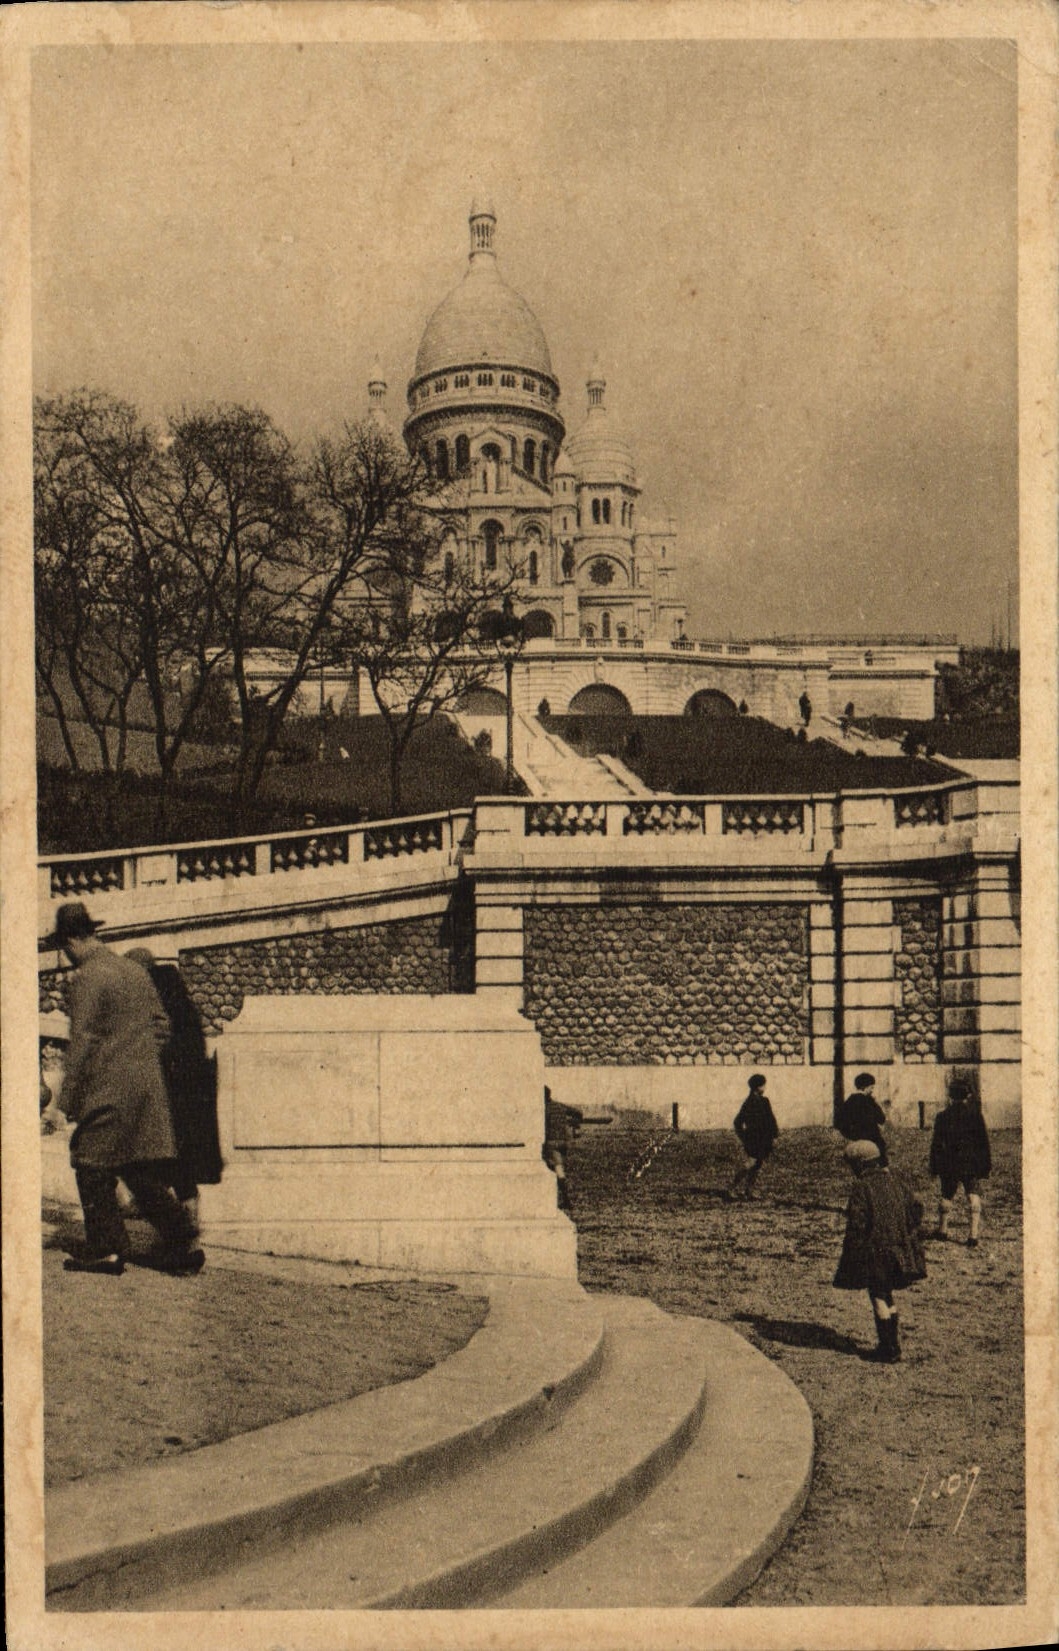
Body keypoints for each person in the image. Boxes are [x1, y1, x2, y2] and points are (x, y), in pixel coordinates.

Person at [43, 902, 204, 1276]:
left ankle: (106, 1248)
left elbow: (82, 1042)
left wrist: (61, 1106)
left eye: (63, 949)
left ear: (69, 942)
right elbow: (162, 1025)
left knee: (89, 1162)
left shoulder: (87, 977)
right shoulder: (134, 971)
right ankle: (182, 1240)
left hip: (109, 1090)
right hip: (147, 1089)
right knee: (137, 1167)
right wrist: (140, 1060)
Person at [125, 948, 222, 1222]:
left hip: (172, 1089)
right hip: (189, 1088)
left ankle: (184, 1219)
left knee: (169, 1152)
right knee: (178, 1153)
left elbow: (159, 1042)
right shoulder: (173, 991)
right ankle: (184, 1211)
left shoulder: (155, 994)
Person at [833, 1139, 926, 1362]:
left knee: (877, 1294)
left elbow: (858, 1222)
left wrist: (854, 1249)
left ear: (861, 1165)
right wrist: (906, 1231)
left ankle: (888, 1348)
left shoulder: (862, 1187)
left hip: (875, 1250)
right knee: (887, 1293)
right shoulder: (896, 1182)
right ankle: (893, 1344)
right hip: (899, 1248)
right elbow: (917, 1209)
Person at [929, 1079, 992, 1247]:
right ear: (968, 1095)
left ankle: (942, 1230)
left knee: (946, 1194)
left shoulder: (942, 1116)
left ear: (950, 1096)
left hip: (949, 1162)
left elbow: (936, 1143)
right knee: (972, 1194)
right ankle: (973, 1235)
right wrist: (985, 1165)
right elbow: (983, 1142)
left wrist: (934, 1165)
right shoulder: (975, 1116)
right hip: (970, 1162)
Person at [730, 1074, 779, 1201]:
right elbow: (737, 1122)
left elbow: (771, 1119)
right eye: (763, 1085)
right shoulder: (748, 1103)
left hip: (764, 1138)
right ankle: (732, 1187)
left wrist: (774, 1135)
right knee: (751, 1163)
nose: (765, 1087)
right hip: (753, 1139)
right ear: (757, 1087)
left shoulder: (765, 1101)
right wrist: (744, 1137)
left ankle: (749, 1190)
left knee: (757, 1164)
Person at [836, 1072, 889, 1165]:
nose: (872, 1090)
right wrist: (876, 1103)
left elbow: (840, 1120)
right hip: (870, 1135)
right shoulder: (869, 1101)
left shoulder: (849, 1101)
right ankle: (883, 1166)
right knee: (881, 1144)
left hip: (853, 1135)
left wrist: (848, 1132)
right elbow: (881, 1118)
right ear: (866, 1087)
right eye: (872, 1087)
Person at [543, 1086, 581, 1212]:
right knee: (556, 1168)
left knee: (557, 1170)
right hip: (563, 1142)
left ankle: (566, 1200)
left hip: (551, 1143)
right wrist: (573, 1124)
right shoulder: (559, 1106)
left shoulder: (544, 1109)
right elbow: (578, 1113)